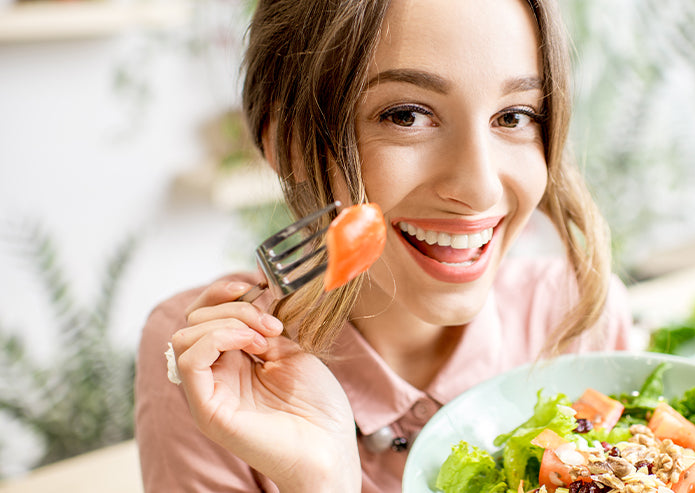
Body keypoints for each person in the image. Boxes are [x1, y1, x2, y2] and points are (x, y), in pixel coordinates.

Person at [134, 0, 632, 491]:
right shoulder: (211, 366)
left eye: (514, 116)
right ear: (288, 145)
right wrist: (322, 481)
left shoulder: (579, 317)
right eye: (407, 116)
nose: (479, 188)